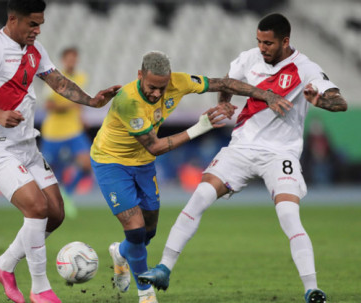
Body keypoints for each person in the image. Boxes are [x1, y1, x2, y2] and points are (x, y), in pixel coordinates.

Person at [138, 13, 347, 303]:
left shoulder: (304, 67)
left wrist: (319, 100)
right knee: (200, 196)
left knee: (288, 215)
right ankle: (163, 268)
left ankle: (311, 288)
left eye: (268, 43)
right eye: (259, 41)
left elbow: (340, 102)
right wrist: (224, 105)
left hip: (280, 153)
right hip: (242, 148)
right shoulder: (249, 58)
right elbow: (227, 83)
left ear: (285, 41)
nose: (262, 47)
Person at [90, 50, 293, 303]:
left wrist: (267, 95)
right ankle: (146, 292)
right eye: (152, 87)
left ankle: (120, 253)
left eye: (162, 88)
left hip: (143, 164)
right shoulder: (127, 101)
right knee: (135, 228)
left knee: (148, 233)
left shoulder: (180, 82)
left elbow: (224, 82)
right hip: (111, 162)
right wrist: (201, 127)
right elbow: (154, 146)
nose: (156, 93)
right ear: (140, 75)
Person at [0, 1, 120, 302]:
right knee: (37, 208)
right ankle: (40, 289)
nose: (37, 30)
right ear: (13, 19)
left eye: (40, 24)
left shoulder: (35, 49)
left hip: (27, 145)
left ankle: (4, 265)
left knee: (55, 214)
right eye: (33, 24)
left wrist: (91, 101)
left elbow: (57, 81)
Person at [40, 47, 91, 219]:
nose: (72, 62)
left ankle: (67, 195)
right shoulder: (54, 78)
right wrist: (70, 106)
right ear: (63, 60)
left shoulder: (81, 77)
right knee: (48, 170)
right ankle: (48, 202)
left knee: (87, 163)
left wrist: (81, 118)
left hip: (74, 130)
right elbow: (48, 106)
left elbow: (80, 104)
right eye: (69, 59)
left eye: (74, 58)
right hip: (53, 132)